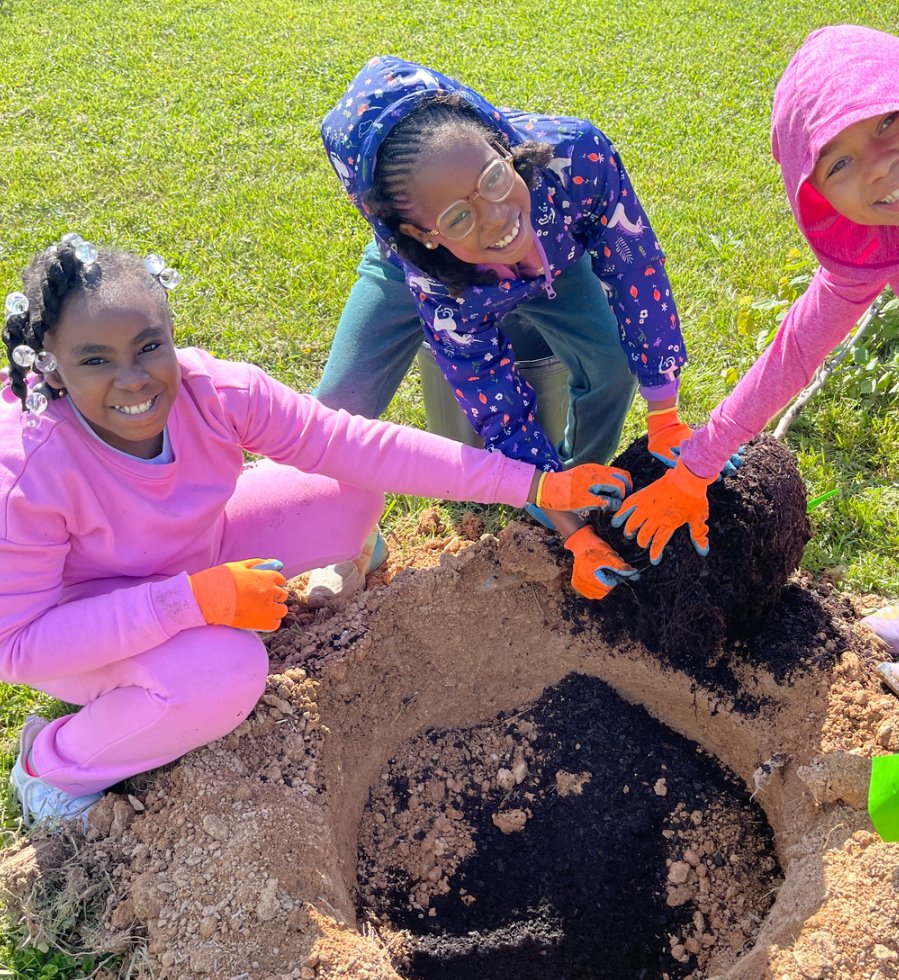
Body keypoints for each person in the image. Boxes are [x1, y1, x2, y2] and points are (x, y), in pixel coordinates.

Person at [0, 236, 632, 825]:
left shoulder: (213, 393)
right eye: (95, 360)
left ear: (170, 332)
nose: (134, 379)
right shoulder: (29, 469)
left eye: (148, 346)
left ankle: (320, 571)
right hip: (77, 628)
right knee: (226, 673)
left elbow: (351, 442)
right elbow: (17, 647)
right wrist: (190, 603)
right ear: (52, 369)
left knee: (348, 483)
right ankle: (53, 766)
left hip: (192, 557)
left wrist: (534, 485)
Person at [613, 25, 899, 751]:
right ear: (815, 190)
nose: (883, 163)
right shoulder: (875, 233)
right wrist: (694, 467)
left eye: (890, 121)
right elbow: (797, 348)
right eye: (840, 161)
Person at [316, 55, 695, 600]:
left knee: (611, 363)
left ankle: (583, 490)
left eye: (493, 178)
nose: (494, 216)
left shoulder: (575, 160)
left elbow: (636, 267)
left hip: (554, 259)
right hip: (444, 276)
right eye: (457, 216)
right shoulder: (430, 276)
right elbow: (496, 403)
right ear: (421, 232)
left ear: (501, 147)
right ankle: (348, 538)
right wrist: (567, 531)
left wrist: (664, 412)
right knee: (335, 411)